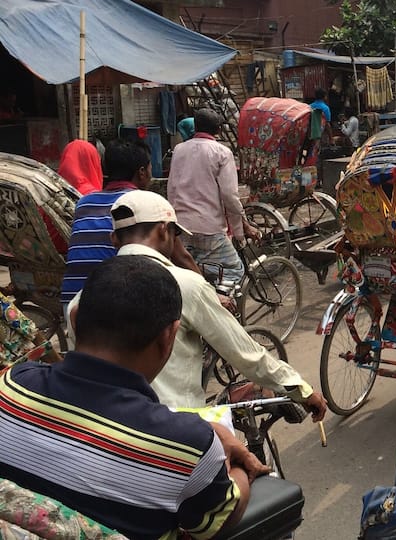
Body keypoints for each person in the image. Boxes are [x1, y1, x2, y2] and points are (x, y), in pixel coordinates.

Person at [0, 256, 267, 539]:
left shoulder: (11, 386)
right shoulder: (189, 446)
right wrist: (238, 468)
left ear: (75, 320)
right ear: (169, 337)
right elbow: (216, 522)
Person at [64, 190, 328, 416]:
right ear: (164, 230)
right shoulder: (184, 285)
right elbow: (245, 354)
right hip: (179, 431)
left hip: (107, 429)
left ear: (114, 239)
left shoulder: (81, 299)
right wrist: (301, 389)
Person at [60, 140, 198, 310]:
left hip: (71, 301)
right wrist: (207, 291)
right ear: (141, 172)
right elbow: (182, 257)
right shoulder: (146, 203)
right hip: (114, 303)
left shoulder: (83, 203)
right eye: (149, 168)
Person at [168, 108, 260, 284]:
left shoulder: (179, 149)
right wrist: (240, 232)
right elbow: (230, 196)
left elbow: (172, 187)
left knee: (193, 273)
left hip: (181, 225)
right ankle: (223, 306)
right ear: (218, 129)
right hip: (208, 227)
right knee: (235, 272)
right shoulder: (222, 152)